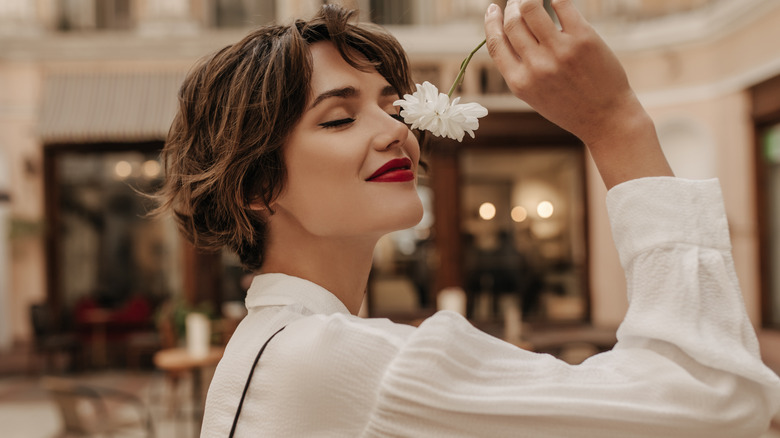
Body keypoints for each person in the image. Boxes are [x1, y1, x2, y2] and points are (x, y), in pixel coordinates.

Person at [155, 1, 780, 436]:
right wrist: (618, 126)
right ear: (259, 186)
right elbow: (714, 405)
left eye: (393, 107)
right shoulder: (332, 357)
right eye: (339, 118)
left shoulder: (278, 342)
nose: (395, 132)